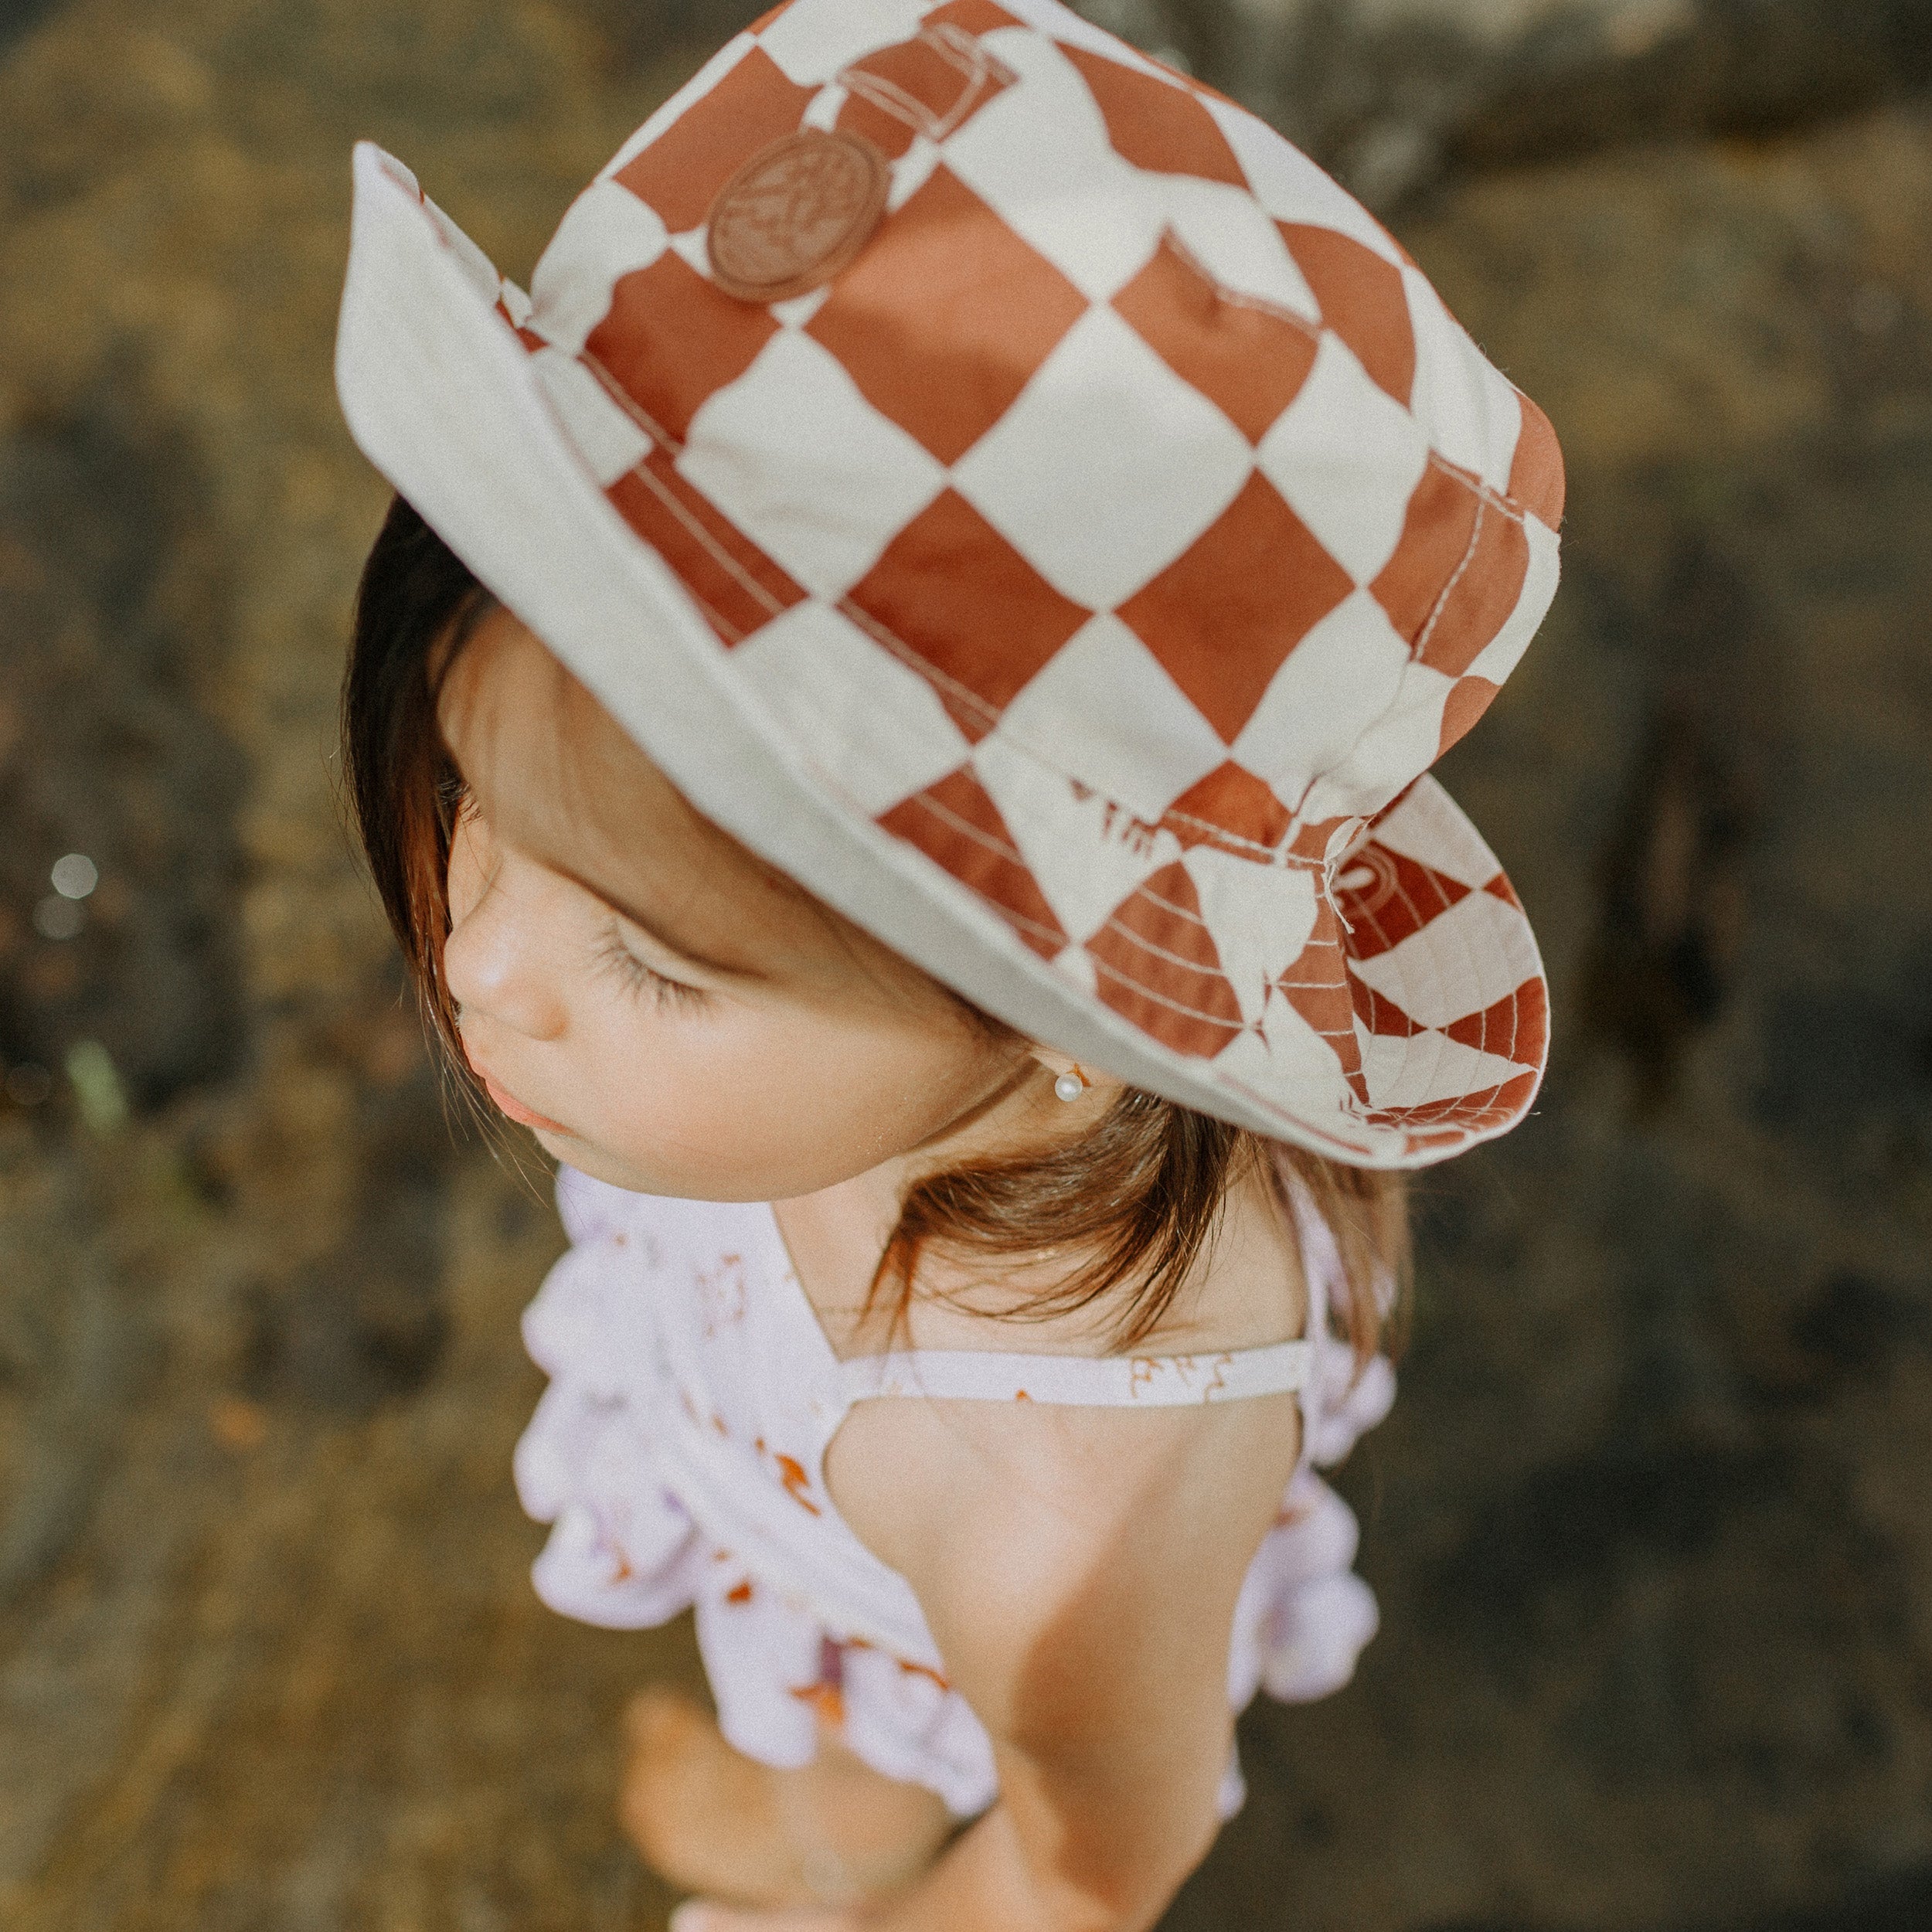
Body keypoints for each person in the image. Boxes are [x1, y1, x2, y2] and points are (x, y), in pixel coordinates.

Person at [334, 1, 1564, 1925]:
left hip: (895, 1562)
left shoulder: (1041, 1504)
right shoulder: (856, 1062)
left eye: (649, 959)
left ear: (1069, 1027)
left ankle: (832, 1816)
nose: (480, 960)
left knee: (831, 1782)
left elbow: (1094, 1861)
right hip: (812, 1430)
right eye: (482, 801)